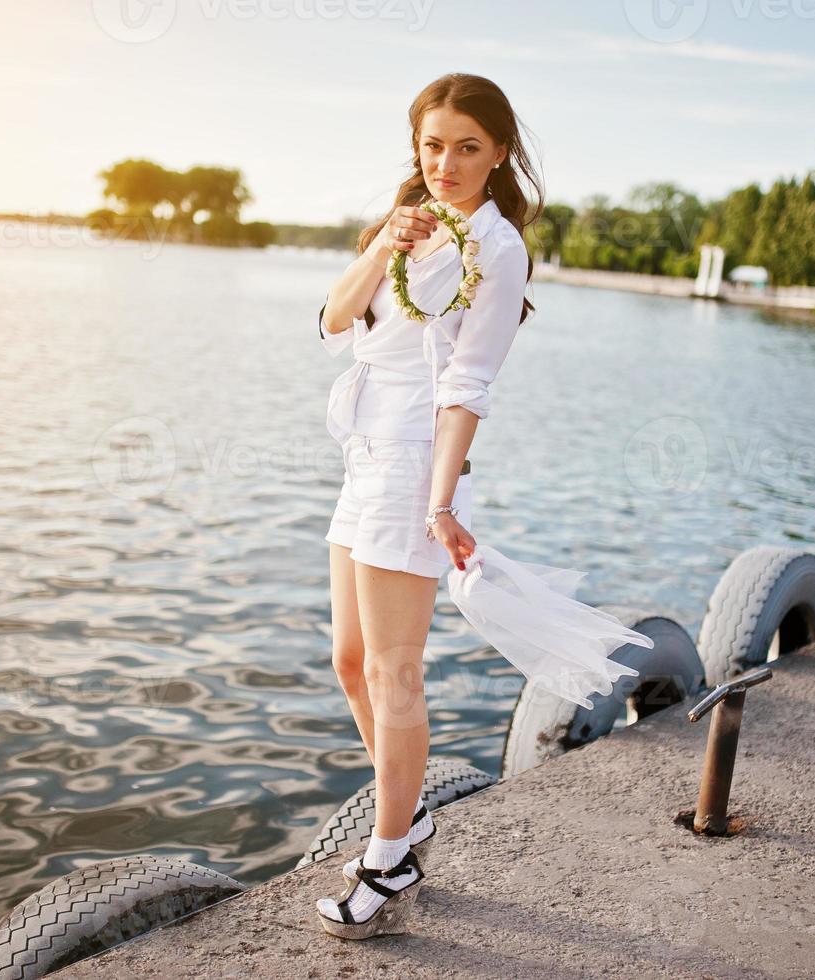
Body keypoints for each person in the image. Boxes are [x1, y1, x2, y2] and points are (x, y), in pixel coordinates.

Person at [313, 72, 541, 940]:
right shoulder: (401, 224)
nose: (445, 163)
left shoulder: (497, 246)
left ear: (499, 153)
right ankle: (404, 823)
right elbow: (334, 321)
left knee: (392, 670)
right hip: (362, 454)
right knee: (347, 660)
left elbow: (468, 384)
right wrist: (381, 245)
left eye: (467, 148)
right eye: (432, 145)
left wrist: (441, 500)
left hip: (413, 463)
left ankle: (385, 857)